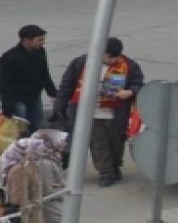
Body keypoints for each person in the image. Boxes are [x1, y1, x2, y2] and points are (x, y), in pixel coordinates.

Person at [54, 37, 144, 187]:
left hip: (117, 113)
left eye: (116, 56)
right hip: (90, 113)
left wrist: (129, 92)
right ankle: (105, 172)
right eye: (110, 56)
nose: (113, 60)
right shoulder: (81, 64)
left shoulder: (129, 65)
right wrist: (59, 107)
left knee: (116, 143)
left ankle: (114, 166)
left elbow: (138, 84)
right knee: (98, 144)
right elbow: (66, 87)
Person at [31, 129, 95, 223]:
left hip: (49, 208)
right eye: (60, 140)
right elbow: (47, 188)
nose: (64, 143)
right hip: (52, 208)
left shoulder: (47, 158)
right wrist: (63, 189)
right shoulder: (44, 162)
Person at [0, 25, 58, 135]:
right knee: (22, 131)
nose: (43, 42)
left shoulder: (40, 52)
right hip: (17, 99)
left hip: (34, 96)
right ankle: (23, 150)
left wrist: (53, 93)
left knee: (37, 127)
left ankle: (35, 150)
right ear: (26, 40)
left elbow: (44, 73)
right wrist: (7, 108)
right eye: (40, 40)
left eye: (43, 39)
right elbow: (4, 84)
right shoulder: (9, 58)